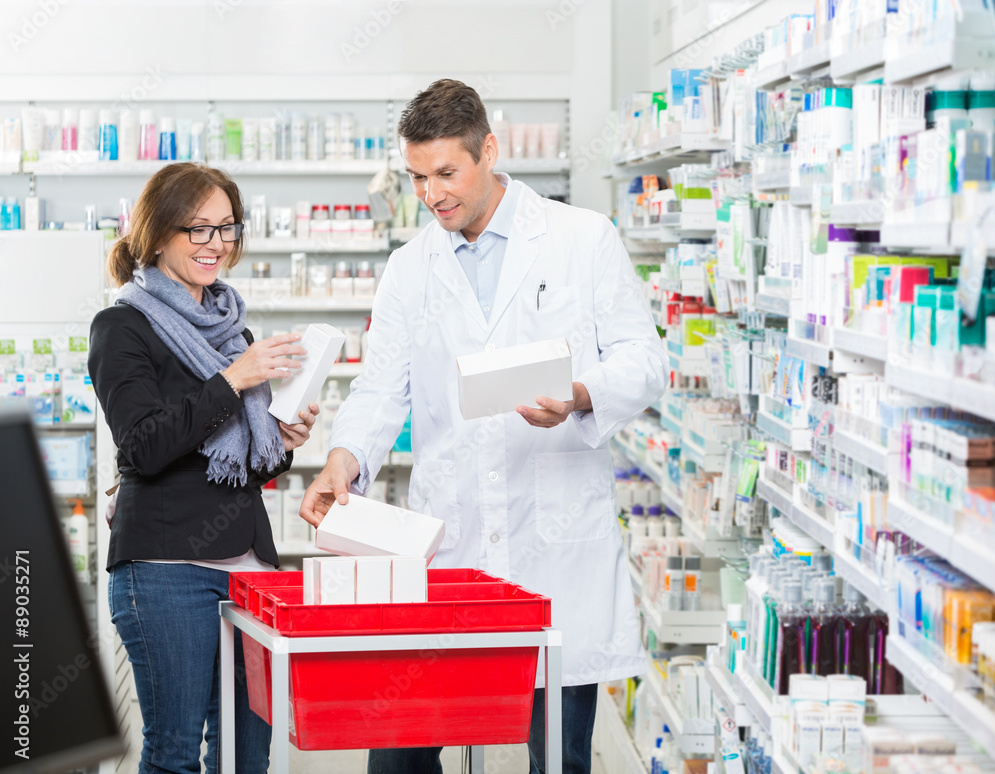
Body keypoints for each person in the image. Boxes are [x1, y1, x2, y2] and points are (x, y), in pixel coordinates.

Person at [300, 79, 669, 773]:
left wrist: (581, 393)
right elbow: (382, 387)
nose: (432, 194)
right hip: (453, 545)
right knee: (399, 761)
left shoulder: (581, 238)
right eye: (417, 177)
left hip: (553, 543)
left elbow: (645, 360)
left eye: (446, 173)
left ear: (488, 150)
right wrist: (343, 459)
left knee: (557, 759)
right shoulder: (410, 268)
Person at [89, 162, 319, 774]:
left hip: (248, 571)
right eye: (198, 229)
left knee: (247, 755)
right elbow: (142, 446)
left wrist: (283, 438)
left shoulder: (229, 327)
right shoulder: (122, 326)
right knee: (174, 753)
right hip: (166, 572)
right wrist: (232, 381)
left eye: (226, 228)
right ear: (158, 233)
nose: (216, 244)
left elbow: (234, 465)